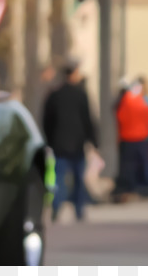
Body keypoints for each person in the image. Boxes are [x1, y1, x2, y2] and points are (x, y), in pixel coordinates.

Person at [41, 55, 98, 222]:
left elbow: (46, 120)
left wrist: (49, 140)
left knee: (58, 178)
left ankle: (56, 208)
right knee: (78, 178)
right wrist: (94, 141)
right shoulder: (81, 94)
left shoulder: (54, 95)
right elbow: (88, 119)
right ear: (74, 74)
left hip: (58, 144)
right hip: (78, 143)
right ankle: (79, 210)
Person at [112, 76, 148, 200]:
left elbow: (120, 117)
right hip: (140, 137)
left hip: (127, 137)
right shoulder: (139, 100)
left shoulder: (125, 100)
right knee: (143, 164)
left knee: (127, 165)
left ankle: (127, 187)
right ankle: (143, 188)